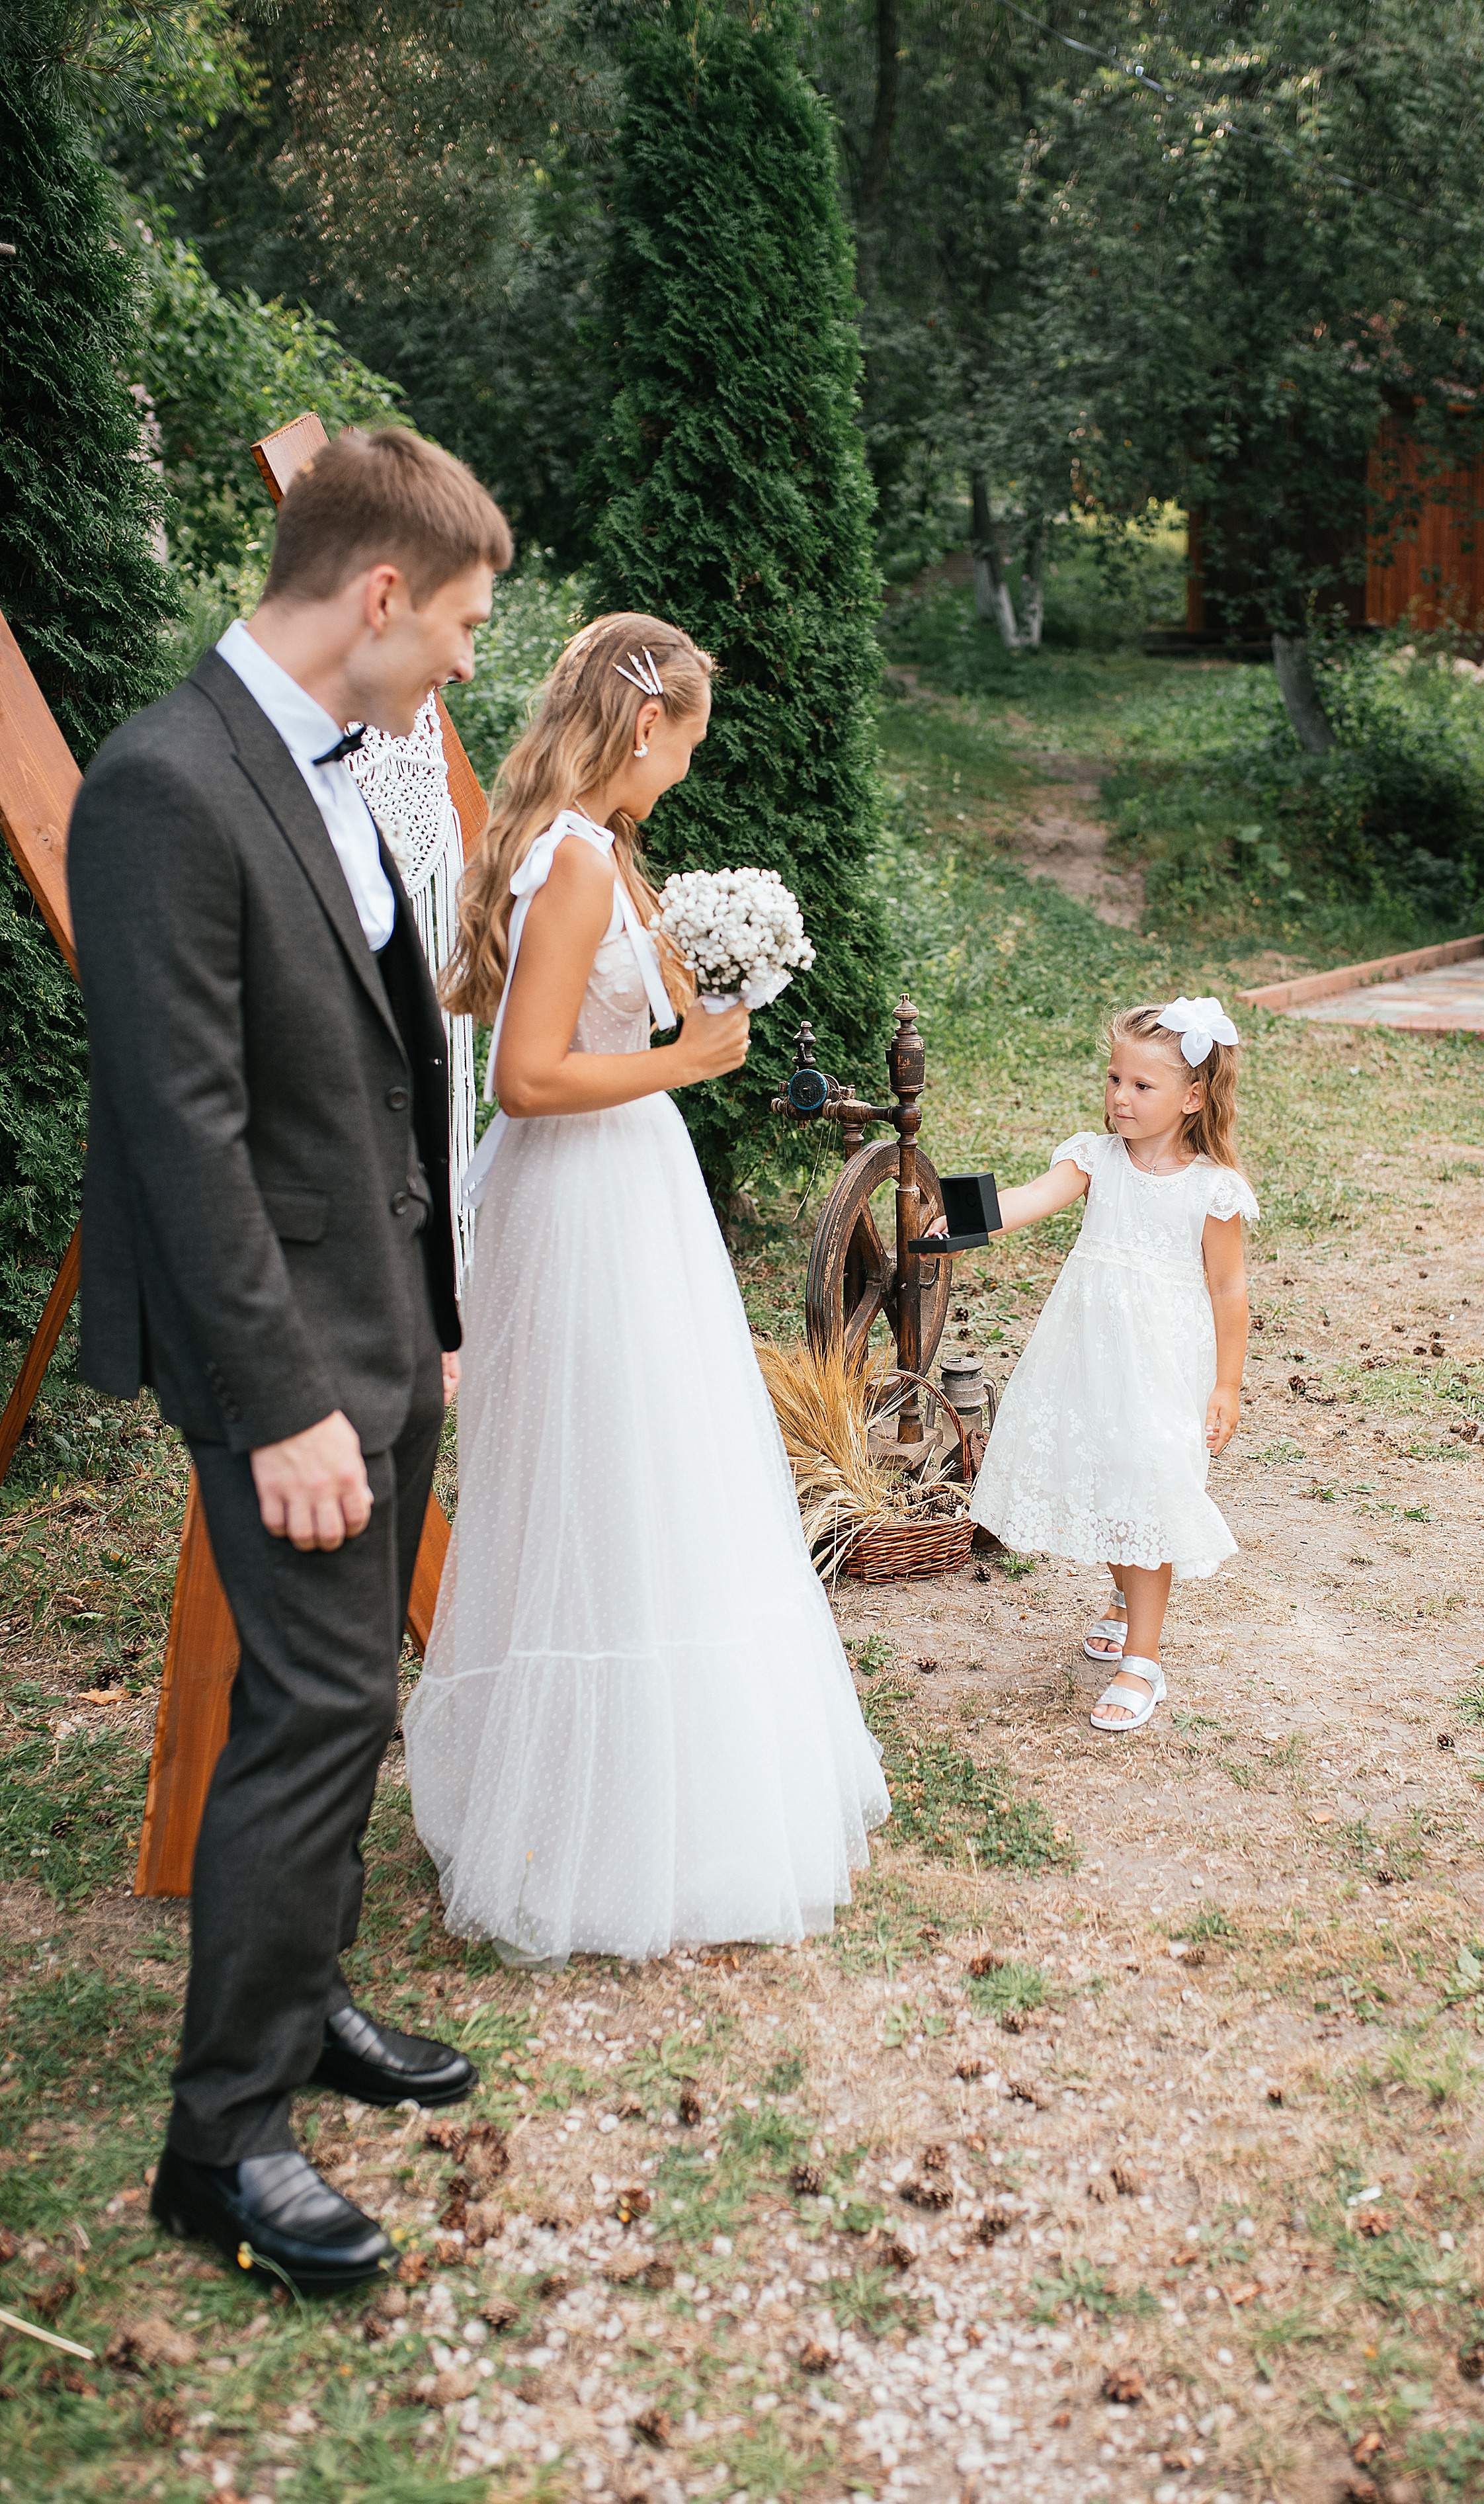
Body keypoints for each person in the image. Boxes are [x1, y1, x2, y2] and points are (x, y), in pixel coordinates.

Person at [68, 429, 514, 2293]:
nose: (474, 664)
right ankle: (223, 2134)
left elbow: (385, 1069)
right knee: (319, 1703)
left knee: (343, 1696)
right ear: (380, 594)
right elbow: (184, 1133)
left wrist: (432, 1323)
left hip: (380, 1328)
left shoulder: (347, 764)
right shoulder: (165, 783)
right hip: (282, 1357)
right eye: (470, 624)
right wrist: (284, 1405)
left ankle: (311, 1993)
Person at [402, 611, 888, 1962]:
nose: (685, 767)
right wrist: (682, 1065)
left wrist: (723, 966)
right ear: (637, 728)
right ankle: (570, 1810)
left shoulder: (609, 855)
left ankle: (647, 1793)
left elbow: (658, 1013)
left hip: (634, 1188)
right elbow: (527, 1076)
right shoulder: (566, 864)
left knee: (655, 1467)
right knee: (590, 1474)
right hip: (577, 1196)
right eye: (684, 742)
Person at [952, 997, 1256, 1735]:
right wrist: (953, 1213)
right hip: (1088, 1356)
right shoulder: (1093, 1158)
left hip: (1160, 1361)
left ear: (1191, 1098)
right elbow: (1028, 1198)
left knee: (1147, 1485)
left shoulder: (1210, 1191)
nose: (1121, 1096)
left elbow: (1228, 1288)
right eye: (1114, 1077)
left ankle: (1141, 1663)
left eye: (1142, 1086)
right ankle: (1125, 1603)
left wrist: (1226, 1383)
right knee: (1108, 1475)